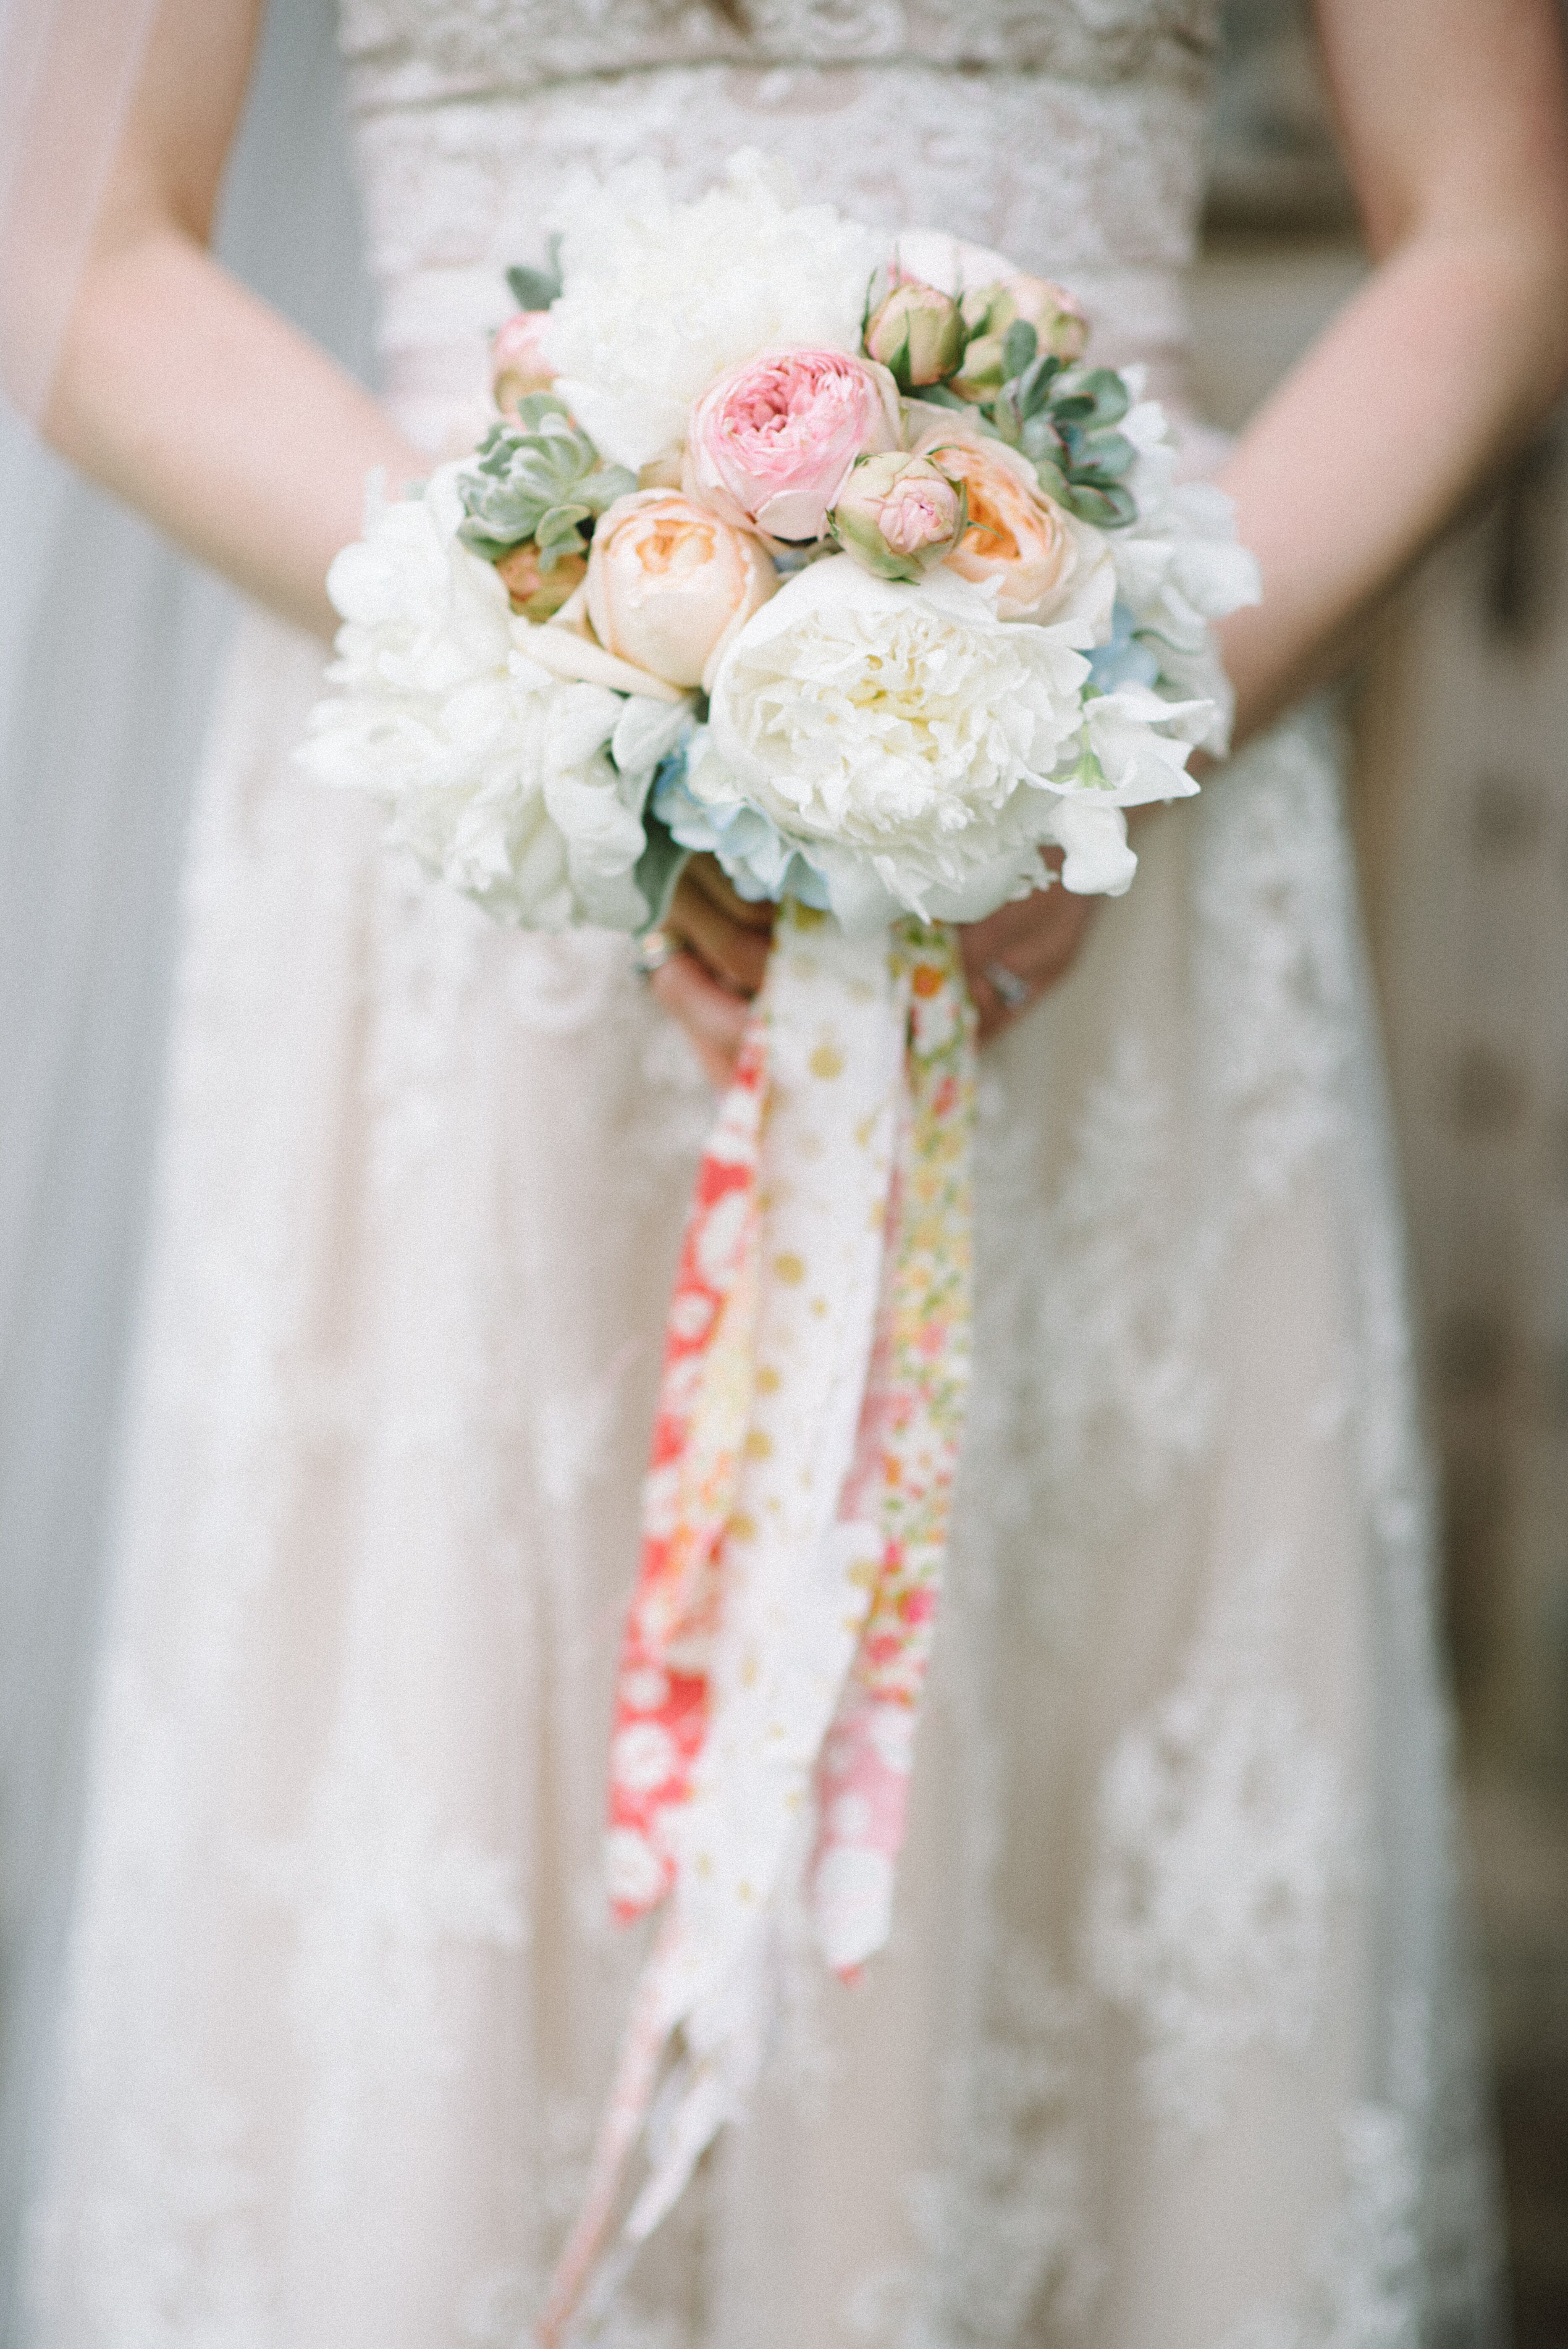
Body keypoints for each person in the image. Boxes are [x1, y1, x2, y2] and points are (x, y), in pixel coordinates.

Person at [3, 0, 1567, 2340]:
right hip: (473, 863)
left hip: (1096, 786)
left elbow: (1497, 228)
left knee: (1034, 1846)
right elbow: (73, 259)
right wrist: (571, 702)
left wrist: (1127, 733)